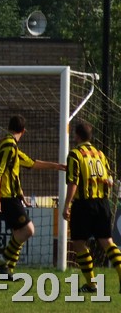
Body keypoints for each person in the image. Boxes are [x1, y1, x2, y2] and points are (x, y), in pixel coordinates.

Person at [0, 114, 66, 278]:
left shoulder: (10, 146)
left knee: (19, 234)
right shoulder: (9, 146)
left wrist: (57, 166)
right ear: (23, 131)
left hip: (12, 195)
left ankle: (7, 271)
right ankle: (2, 261)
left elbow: (31, 163)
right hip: (6, 196)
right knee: (28, 230)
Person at [62, 121, 121, 294]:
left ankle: (91, 284)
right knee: (107, 242)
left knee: (79, 243)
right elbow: (110, 180)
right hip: (102, 203)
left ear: (77, 136)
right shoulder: (100, 154)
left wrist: (67, 205)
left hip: (84, 204)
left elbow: (73, 182)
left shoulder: (75, 154)